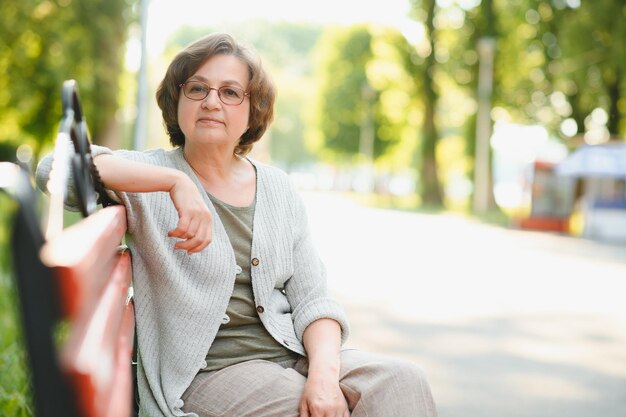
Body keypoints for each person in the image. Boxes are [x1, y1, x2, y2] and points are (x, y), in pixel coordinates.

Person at [37, 33, 438, 417]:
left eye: (230, 92)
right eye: (197, 88)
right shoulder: (147, 175)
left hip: (291, 353)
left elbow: (313, 300)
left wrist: (323, 377)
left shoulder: (278, 188)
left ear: (252, 111)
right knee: (306, 409)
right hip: (206, 374)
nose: (212, 101)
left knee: (403, 381)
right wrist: (174, 183)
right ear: (178, 100)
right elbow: (54, 168)